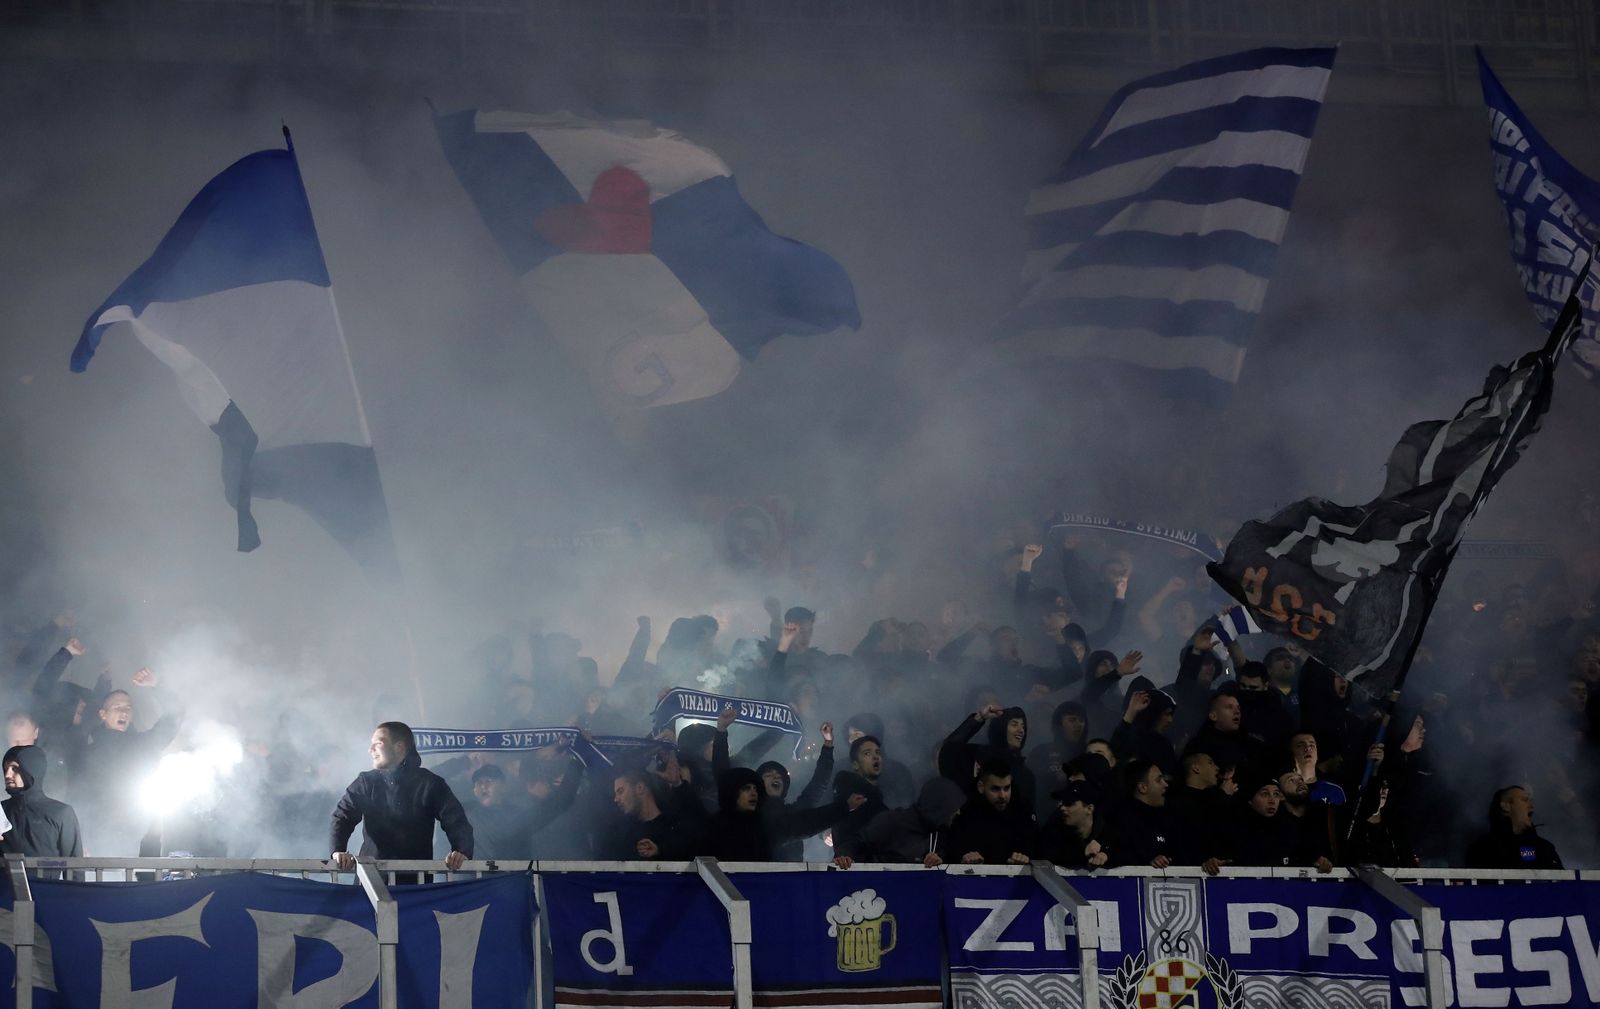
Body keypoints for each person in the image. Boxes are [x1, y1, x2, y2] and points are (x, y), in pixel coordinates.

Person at [329, 722, 473, 872]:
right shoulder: (366, 782)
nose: (370, 750)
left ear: (399, 747)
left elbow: (456, 819)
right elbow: (342, 817)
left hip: (415, 885)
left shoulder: (429, 783)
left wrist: (461, 852)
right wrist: (338, 851)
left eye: (377, 743)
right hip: (371, 884)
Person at [946, 758, 1038, 865]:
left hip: (1018, 880)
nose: (1002, 795)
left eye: (1007, 788)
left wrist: (1027, 860)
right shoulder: (967, 815)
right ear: (981, 787)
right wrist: (964, 861)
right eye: (995, 789)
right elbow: (952, 855)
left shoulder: (1024, 812)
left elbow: (1038, 850)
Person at [857, 777, 967, 866]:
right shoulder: (890, 822)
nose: (958, 812)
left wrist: (938, 864)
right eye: (952, 807)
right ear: (939, 807)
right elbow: (856, 846)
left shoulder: (941, 833)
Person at [0, 745, 81, 859]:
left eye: (15, 768)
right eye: (5, 768)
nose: (7, 775)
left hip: (45, 877)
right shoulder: (1, 811)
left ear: (31, 770)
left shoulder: (61, 813)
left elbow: (75, 866)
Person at [607, 768, 697, 860]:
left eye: (620, 791)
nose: (616, 799)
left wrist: (659, 851)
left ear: (640, 788)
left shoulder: (675, 824)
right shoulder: (624, 835)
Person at [1464, 785, 1563, 869]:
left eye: (1531, 801)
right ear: (1506, 806)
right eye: (1524, 800)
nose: (1532, 806)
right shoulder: (1482, 849)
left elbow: (1563, 885)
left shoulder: (1545, 848)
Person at [1108, 759, 1178, 868]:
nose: (1166, 784)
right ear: (1142, 787)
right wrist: (1147, 863)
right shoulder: (1122, 821)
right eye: (1159, 780)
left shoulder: (1168, 817)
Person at [1040, 781, 1109, 870]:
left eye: (1069, 803)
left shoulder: (1109, 832)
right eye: (1063, 803)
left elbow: (1126, 854)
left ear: (1089, 808)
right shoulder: (1054, 830)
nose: (1062, 808)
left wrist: (1106, 854)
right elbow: (1046, 858)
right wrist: (1082, 853)